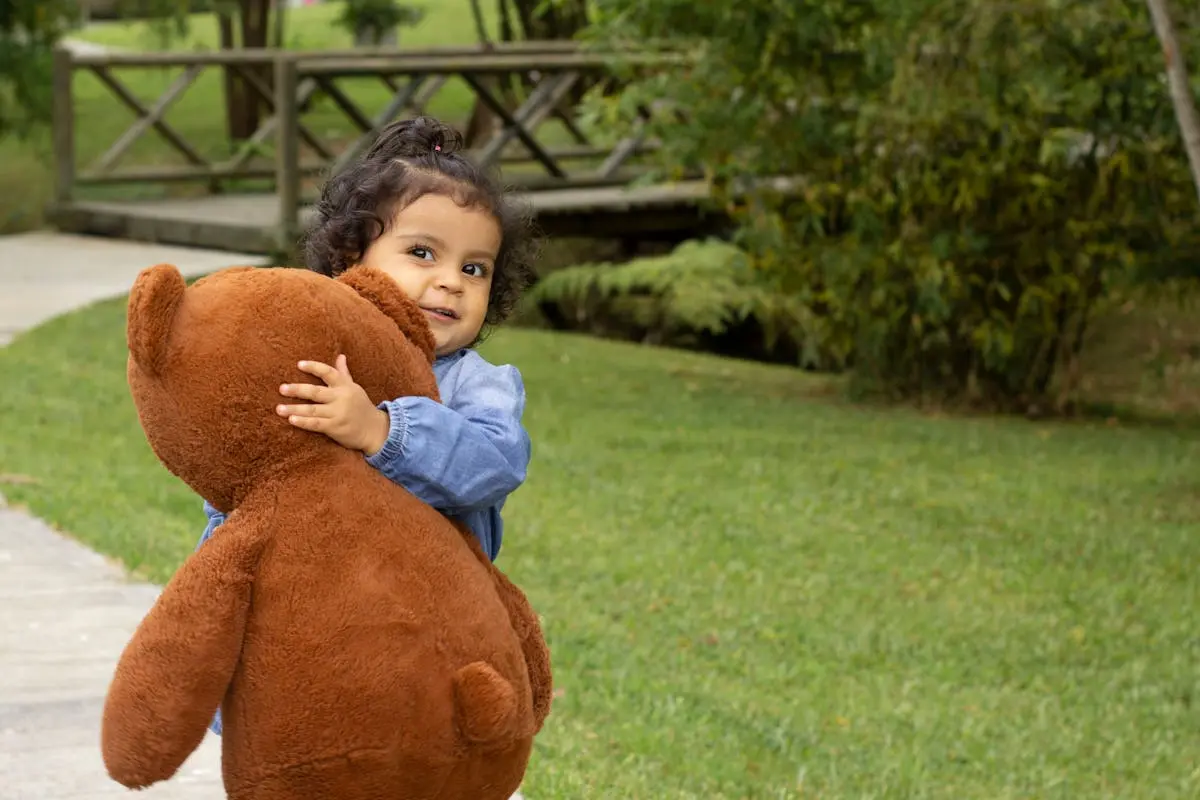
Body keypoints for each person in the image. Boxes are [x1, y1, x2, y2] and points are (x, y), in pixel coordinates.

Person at [194, 115, 541, 778]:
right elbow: (250, 490)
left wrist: (386, 433)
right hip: (314, 643)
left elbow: (498, 463)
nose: (450, 282)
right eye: (422, 253)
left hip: (427, 646)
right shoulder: (314, 361)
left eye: (475, 268)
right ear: (351, 258)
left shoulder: (477, 384)